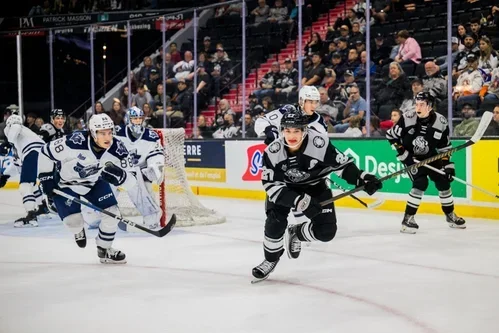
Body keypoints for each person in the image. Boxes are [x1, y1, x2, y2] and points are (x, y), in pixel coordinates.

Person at [252, 109, 382, 282]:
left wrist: (361, 178)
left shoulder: (319, 144)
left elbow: (342, 166)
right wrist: (299, 201)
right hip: (286, 190)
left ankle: (297, 232)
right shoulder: (273, 151)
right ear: (282, 130)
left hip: (315, 186)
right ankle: (270, 260)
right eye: (287, 130)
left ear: (304, 131)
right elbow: (271, 185)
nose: (291, 135)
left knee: (326, 232)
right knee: (275, 223)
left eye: (296, 131)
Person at [37, 114, 138, 264]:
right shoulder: (74, 141)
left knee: (112, 213)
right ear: (92, 132)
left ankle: (104, 249)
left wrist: (122, 176)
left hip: (94, 183)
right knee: (74, 222)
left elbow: (132, 179)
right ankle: (78, 230)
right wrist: (46, 177)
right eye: (102, 133)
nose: (107, 137)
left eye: (110, 132)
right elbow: (45, 152)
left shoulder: (118, 149)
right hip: (65, 184)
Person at [385, 92, 466, 234]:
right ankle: (408, 219)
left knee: (444, 182)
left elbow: (445, 147)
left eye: (422, 104)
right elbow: (391, 136)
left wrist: (447, 165)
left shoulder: (440, 122)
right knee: (421, 183)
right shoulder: (407, 118)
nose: (418, 107)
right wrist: (403, 154)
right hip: (412, 158)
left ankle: (450, 216)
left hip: (431, 157)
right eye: (417, 104)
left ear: (430, 106)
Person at [115, 107, 165, 229]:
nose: (137, 121)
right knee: (106, 188)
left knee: (147, 189)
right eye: (134, 118)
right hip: (120, 169)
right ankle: (99, 216)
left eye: (139, 118)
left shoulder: (151, 135)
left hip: (140, 172)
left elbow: (156, 154)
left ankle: (151, 217)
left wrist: (155, 167)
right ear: (128, 119)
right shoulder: (117, 132)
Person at [0, 114, 46, 227]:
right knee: (32, 183)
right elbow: (18, 165)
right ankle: (42, 206)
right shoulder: (24, 138)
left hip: (34, 153)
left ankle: (31, 214)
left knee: (25, 185)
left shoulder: (14, 128)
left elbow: (14, 129)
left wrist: (7, 143)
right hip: (44, 154)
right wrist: (6, 175)